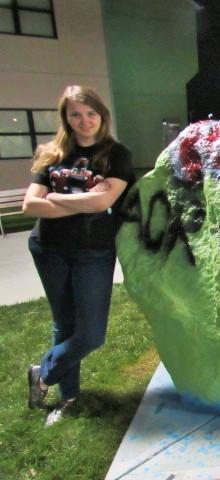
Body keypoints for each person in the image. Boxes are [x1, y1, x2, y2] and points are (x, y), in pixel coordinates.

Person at [22, 85, 135, 425]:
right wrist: (82, 201)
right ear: (66, 118)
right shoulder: (51, 154)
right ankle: (68, 395)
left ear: (102, 116)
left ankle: (43, 372)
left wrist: (55, 199)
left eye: (90, 113)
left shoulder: (116, 155)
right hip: (48, 250)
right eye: (75, 114)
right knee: (64, 325)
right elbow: (30, 205)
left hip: (93, 252)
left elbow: (102, 203)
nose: (84, 121)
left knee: (90, 335)